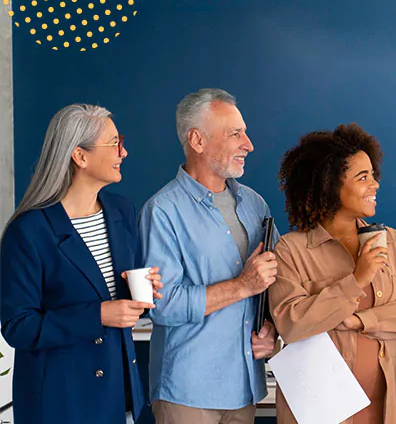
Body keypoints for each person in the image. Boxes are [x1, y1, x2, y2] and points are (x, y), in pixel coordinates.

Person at [1, 104, 163, 424]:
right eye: (114, 143)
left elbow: (120, 301)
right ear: (80, 156)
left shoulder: (121, 211)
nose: (124, 151)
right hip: (62, 403)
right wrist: (99, 314)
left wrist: (142, 295)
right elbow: (18, 327)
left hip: (122, 397)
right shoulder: (29, 231)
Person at [268, 123, 396, 424]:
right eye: (362, 177)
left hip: (387, 410)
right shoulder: (292, 250)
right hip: (321, 412)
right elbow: (292, 323)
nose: (375, 184)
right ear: (331, 186)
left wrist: (360, 321)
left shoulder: (390, 240)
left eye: (373, 175)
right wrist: (356, 280)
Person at [140, 88, 278, 423]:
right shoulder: (162, 211)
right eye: (235, 134)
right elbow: (163, 306)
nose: (249, 145)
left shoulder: (255, 205)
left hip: (244, 386)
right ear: (197, 140)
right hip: (188, 393)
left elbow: (273, 282)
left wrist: (271, 328)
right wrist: (241, 286)